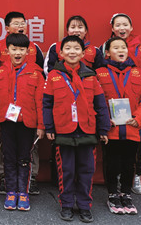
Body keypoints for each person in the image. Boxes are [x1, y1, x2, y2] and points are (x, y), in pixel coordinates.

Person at [43, 35, 110, 223]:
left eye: (76, 48)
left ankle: (84, 205)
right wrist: (49, 127)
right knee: (66, 171)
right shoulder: (54, 75)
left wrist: (103, 129)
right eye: (68, 48)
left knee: (86, 171)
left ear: (83, 53)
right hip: (63, 129)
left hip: (87, 130)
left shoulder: (91, 76)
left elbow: (101, 104)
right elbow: (47, 104)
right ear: (61, 53)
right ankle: (66, 204)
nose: (72, 51)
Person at [0, 11, 44, 195]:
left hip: (28, 112)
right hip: (5, 110)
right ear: (7, 27)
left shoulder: (34, 48)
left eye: (23, 23)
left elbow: (42, 75)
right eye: (16, 23)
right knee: (6, 149)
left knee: (30, 149)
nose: (20, 26)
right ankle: (6, 179)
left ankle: (30, 180)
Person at [97, 37, 141, 215]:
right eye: (115, 47)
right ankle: (112, 195)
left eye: (123, 47)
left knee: (129, 163)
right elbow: (95, 101)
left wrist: (139, 119)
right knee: (112, 162)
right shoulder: (99, 73)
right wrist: (104, 120)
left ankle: (126, 194)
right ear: (107, 53)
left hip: (133, 127)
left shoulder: (139, 73)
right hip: (111, 128)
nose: (120, 50)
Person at [106, 13, 141, 195]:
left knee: (133, 152)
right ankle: (114, 188)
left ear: (131, 27)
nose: (122, 28)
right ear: (112, 29)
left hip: (135, 109)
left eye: (125, 24)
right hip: (112, 117)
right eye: (118, 25)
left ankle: (135, 178)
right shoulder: (105, 51)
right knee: (112, 157)